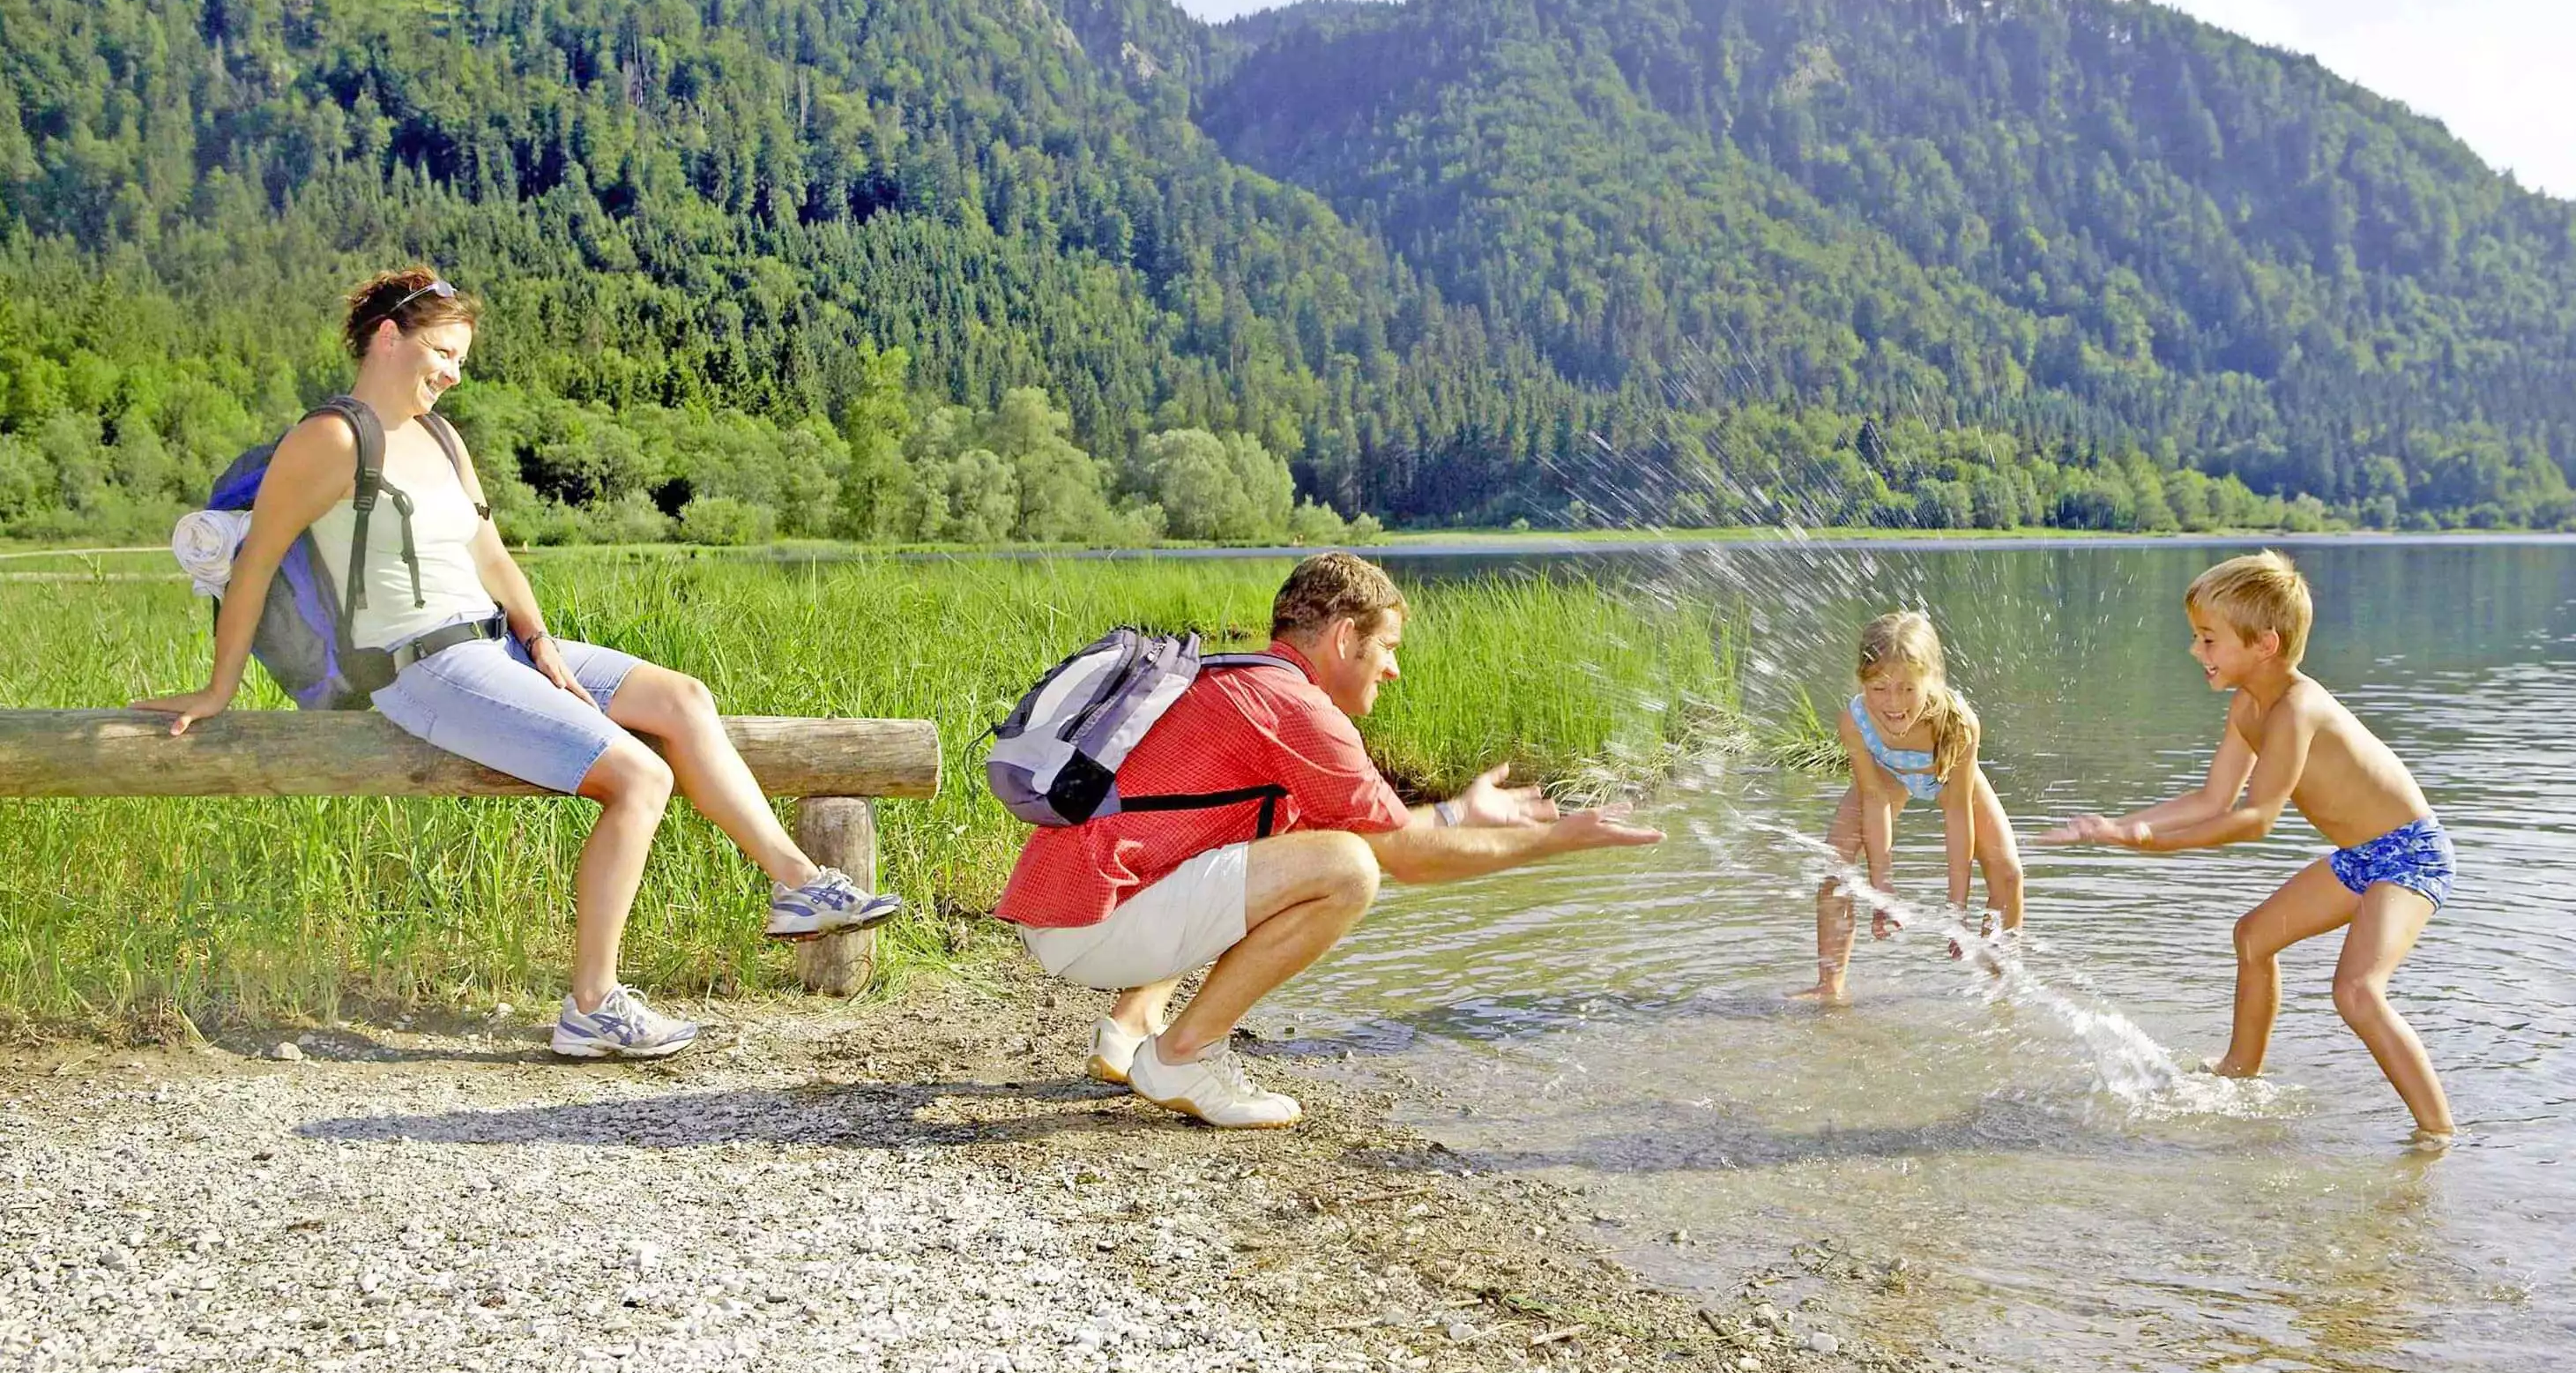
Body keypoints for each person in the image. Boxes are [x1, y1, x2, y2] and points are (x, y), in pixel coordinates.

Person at [133, 268, 901, 1059]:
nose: (454, 373)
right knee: (641, 776)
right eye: (443, 352)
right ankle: (593, 1007)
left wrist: (538, 641)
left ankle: (800, 886)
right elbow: (255, 561)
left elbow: (489, 553)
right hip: (419, 667)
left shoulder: (439, 436)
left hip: (495, 643)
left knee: (682, 698)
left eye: (461, 358)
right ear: (388, 337)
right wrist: (220, 688)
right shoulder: (331, 438)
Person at [995, 551, 1665, 1129]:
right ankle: (1183, 1060)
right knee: (1345, 870)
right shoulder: (1298, 710)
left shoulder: (1241, 678)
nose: (1394, 669)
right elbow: (1399, 857)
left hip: (1068, 908)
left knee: (1282, 844)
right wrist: (1557, 840)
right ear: (1347, 637)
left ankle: (1131, 1031)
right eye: (1390, 646)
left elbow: (1382, 828)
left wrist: (1461, 814)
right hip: (1090, 928)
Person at [2037, 551, 2455, 1140]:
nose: (2195, 652)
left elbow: (2256, 818)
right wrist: (2118, 825)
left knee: (2356, 991)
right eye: (2196, 637)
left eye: (2209, 640)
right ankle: (2242, 1069)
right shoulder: (2248, 707)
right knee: (2253, 937)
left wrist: (2151, 842)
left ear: (2264, 644)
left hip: (2411, 854)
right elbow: (2212, 800)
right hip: (2362, 858)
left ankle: (2438, 1135)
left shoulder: (2296, 710)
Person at [1791, 611, 2024, 1003]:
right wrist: (1883, 893)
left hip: (1947, 777)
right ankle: (1828, 986)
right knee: (1835, 868)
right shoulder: (1856, 720)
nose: (1893, 703)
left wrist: (1957, 912)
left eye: (1907, 689)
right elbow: (1874, 799)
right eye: (1879, 688)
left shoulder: (1957, 725)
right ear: (1862, 681)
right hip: (1884, 777)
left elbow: (1956, 815)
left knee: (2009, 873)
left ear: (1930, 679)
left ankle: (1999, 984)